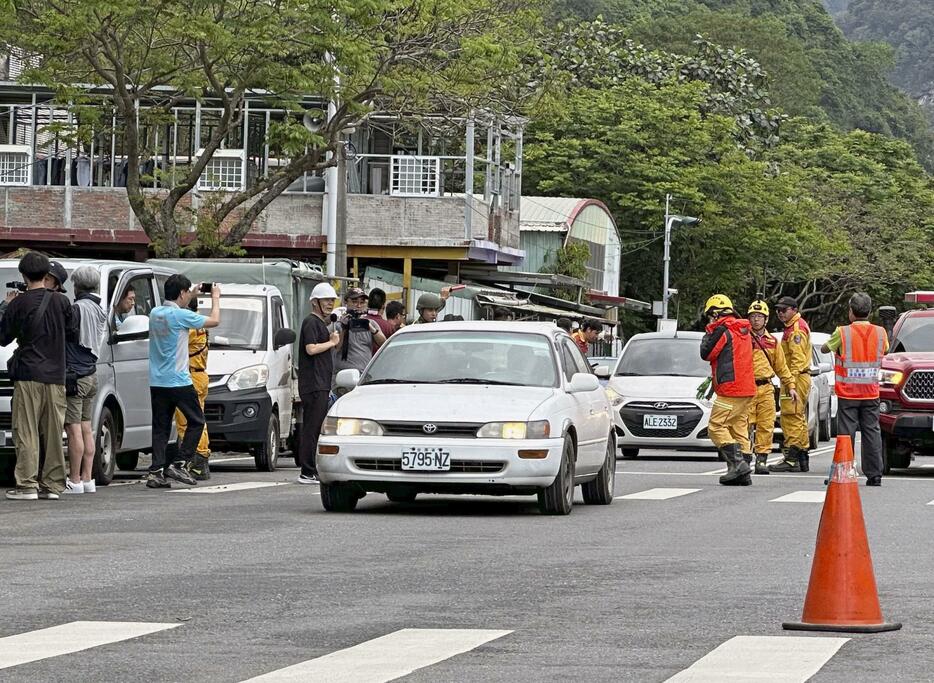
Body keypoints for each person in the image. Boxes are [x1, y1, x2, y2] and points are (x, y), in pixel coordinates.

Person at [0, 252, 78, 500]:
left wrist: (6, 306)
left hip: (28, 374)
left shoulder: (18, 304)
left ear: (23, 275)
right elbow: (72, 333)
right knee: (54, 432)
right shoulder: (62, 303)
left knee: (26, 431)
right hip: (56, 375)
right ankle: (53, 485)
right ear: (47, 275)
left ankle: (27, 484)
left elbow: (3, 338)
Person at [146, 275, 220, 489]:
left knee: (160, 427)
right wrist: (215, 297)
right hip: (178, 379)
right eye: (187, 292)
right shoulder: (181, 316)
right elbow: (214, 321)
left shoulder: (155, 313)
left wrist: (193, 290)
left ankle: (156, 471)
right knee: (196, 421)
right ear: (181, 294)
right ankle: (180, 463)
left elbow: (179, 301)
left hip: (157, 380)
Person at [821, 292, 888, 486]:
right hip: (871, 392)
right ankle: (875, 475)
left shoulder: (842, 332)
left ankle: (844, 473)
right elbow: (885, 350)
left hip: (848, 393)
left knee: (846, 433)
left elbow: (825, 349)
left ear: (851, 311)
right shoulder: (880, 332)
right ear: (869, 312)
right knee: (872, 432)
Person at [699, 294, 756, 486]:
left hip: (730, 389)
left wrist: (711, 329)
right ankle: (743, 473)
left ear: (715, 314)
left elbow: (706, 353)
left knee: (716, 426)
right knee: (739, 427)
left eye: (710, 316)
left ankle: (738, 464)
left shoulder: (723, 330)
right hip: (747, 388)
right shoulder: (743, 330)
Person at [63, 266, 107, 495]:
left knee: (73, 430)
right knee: (87, 428)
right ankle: (88, 478)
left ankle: (75, 478)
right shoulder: (100, 309)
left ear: (77, 285)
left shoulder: (77, 308)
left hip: (76, 374)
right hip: (91, 372)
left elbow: (69, 335)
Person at [746, 300, 798, 475]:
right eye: (753, 316)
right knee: (745, 424)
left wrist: (791, 386)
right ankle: (745, 458)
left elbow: (782, 367)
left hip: (766, 387)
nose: (756, 320)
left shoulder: (772, 342)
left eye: (760, 316)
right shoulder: (743, 339)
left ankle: (761, 460)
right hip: (747, 389)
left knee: (766, 426)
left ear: (766, 319)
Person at [297, 282, 341, 484]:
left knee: (314, 428)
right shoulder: (311, 322)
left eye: (332, 300)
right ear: (315, 302)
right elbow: (311, 349)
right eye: (326, 300)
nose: (330, 303)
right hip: (314, 384)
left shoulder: (318, 323)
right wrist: (332, 342)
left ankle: (310, 470)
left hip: (319, 383)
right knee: (312, 428)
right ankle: (307, 471)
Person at [770, 296, 813, 473]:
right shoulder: (794, 326)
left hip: (795, 378)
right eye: (778, 310)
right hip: (798, 378)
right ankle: (802, 455)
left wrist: (791, 384)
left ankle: (791, 458)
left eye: (784, 310)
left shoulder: (795, 330)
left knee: (790, 416)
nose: (780, 313)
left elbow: (797, 359)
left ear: (794, 310)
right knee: (798, 417)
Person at [175, 295, 212, 481]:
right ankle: (201, 459)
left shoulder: (189, 326)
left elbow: (175, 340)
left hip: (191, 376)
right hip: (200, 375)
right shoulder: (200, 324)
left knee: (186, 422)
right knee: (199, 420)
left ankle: (198, 460)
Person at [333, 287, 386, 382]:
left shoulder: (371, 323)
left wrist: (370, 327)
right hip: (342, 377)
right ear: (346, 302)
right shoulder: (338, 324)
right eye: (354, 302)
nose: (358, 305)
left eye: (362, 302)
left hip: (363, 377)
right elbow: (336, 347)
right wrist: (344, 328)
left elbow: (383, 343)